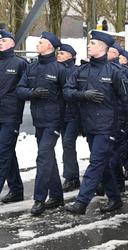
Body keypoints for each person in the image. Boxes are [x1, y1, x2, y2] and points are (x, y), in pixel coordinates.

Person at [64, 31, 128, 215]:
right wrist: (83, 95)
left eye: (92, 43)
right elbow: (67, 91)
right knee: (104, 163)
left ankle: (81, 202)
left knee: (95, 162)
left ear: (102, 47)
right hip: (89, 125)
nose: (89, 45)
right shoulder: (81, 71)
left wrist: (126, 126)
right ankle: (115, 198)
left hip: (107, 126)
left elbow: (126, 99)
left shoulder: (114, 72)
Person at [17, 31, 65, 215]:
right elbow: (20, 90)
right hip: (39, 120)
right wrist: (33, 93)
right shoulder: (32, 67)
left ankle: (39, 199)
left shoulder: (60, 69)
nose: (38, 44)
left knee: (43, 156)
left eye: (41, 42)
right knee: (48, 158)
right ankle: (57, 195)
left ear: (50, 47)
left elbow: (67, 96)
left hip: (54, 121)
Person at [0, 30, 27, 203]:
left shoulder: (20, 64)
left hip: (10, 115)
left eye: (3, 40)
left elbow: (25, 87)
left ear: (11, 43)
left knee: (2, 153)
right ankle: (16, 190)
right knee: (8, 152)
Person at [57, 44, 81, 192]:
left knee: (68, 143)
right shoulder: (56, 69)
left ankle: (71, 177)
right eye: (58, 53)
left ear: (71, 56)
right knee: (66, 145)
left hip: (73, 113)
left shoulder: (76, 71)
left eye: (62, 53)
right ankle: (72, 176)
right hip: (61, 114)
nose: (59, 55)